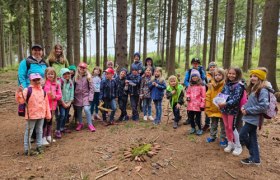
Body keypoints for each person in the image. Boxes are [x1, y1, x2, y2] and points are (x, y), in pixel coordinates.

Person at [239, 68, 270, 165]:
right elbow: (251, 102)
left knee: (242, 135)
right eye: (251, 76)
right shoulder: (254, 88)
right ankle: (256, 159)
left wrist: (247, 111)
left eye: (255, 76)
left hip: (254, 119)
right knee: (253, 138)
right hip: (250, 118)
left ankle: (253, 154)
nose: (252, 78)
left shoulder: (263, 90)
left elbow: (264, 106)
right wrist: (244, 107)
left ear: (260, 78)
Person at [16, 73, 51, 155]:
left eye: (38, 79)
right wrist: (18, 92)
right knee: (29, 131)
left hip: (41, 115)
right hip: (31, 115)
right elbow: (21, 100)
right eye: (34, 80)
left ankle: (39, 146)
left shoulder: (43, 91)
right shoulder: (27, 90)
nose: (36, 81)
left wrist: (48, 115)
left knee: (39, 131)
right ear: (30, 80)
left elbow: (46, 104)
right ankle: (27, 149)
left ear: (41, 80)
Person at [218, 67, 244, 156]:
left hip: (232, 110)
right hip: (224, 109)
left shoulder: (239, 86)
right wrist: (218, 100)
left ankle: (238, 146)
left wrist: (225, 103)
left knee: (231, 127)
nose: (231, 75)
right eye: (229, 73)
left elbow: (236, 99)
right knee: (226, 126)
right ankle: (230, 143)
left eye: (233, 74)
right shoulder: (226, 84)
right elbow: (222, 94)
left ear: (237, 75)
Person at [205, 68, 227, 146]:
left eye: (219, 75)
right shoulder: (211, 85)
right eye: (216, 75)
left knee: (223, 125)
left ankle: (223, 138)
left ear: (223, 76)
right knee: (213, 124)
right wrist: (207, 105)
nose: (217, 77)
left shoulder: (225, 85)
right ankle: (212, 136)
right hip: (213, 108)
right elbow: (207, 95)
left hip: (222, 109)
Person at [183, 58, 207, 125]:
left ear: (199, 64)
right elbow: (185, 81)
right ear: (192, 63)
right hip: (190, 90)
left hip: (199, 90)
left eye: (197, 63)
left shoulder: (201, 70)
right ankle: (189, 118)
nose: (195, 64)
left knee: (199, 105)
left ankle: (198, 120)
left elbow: (204, 79)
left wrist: (201, 85)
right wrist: (190, 86)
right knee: (190, 103)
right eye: (194, 63)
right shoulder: (189, 71)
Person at [74, 62, 96, 132]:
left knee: (86, 109)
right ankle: (80, 123)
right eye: (81, 67)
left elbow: (92, 88)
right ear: (78, 68)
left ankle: (90, 124)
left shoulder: (88, 77)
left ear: (86, 69)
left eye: (83, 68)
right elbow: (72, 87)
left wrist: (90, 97)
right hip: (77, 97)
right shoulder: (75, 77)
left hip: (86, 96)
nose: (82, 69)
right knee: (79, 110)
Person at [43, 67, 62, 145]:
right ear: (46, 75)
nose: (50, 75)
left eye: (52, 74)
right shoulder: (43, 84)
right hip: (45, 106)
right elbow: (40, 94)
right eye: (49, 74)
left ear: (54, 75)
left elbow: (60, 95)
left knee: (50, 121)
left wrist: (55, 97)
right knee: (44, 122)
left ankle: (48, 136)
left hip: (53, 106)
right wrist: (47, 95)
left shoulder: (57, 84)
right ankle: (43, 137)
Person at [186, 69, 206, 135]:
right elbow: (188, 92)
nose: (194, 77)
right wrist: (188, 97)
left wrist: (202, 105)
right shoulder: (190, 85)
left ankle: (200, 128)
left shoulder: (201, 86)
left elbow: (203, 96)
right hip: (190, 105)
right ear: (191, 77)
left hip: (198, 105)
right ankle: (193, 127)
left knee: (198, 118)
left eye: (196, 76)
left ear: (199, 77)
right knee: (191, 117)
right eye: (193, 76)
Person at [57, 68, 74, 135]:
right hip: (62, 102)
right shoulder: (59, 82)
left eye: (68, 73)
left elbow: (72, 92)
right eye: (65, 74)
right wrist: (63, 103)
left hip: (68, 102)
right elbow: (59, 93)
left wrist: (70, 101)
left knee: (66, 115)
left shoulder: (70, 82)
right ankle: (58, 129)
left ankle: (62, 127)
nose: (67, 75)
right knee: (62, 115)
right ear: (62, 74)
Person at [202, 61, 218, 131]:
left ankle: (213, 126)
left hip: (216, 95)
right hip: (208, 95)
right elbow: (204, 85)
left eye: (213, 67)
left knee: (215, 110)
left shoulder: (219, 75)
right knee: (207, 110)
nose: (212, 68)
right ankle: (207, 124)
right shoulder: (206, 76)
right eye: (211, 67)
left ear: (216, 67)